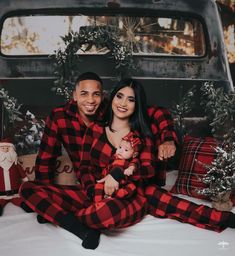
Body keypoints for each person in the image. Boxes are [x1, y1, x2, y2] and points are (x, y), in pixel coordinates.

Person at [20, 77, 156, 250]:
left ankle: (56, 214)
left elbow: (149, 167)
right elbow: (80, 166)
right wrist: (92, 190)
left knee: (104, 214)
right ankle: (81, 229)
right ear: (74, 95)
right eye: (84, 93)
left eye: (131, 99)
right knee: (27, 189)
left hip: (121, 195)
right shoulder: (92, 127)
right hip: (91, 190)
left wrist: (117, 174)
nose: (91, 100)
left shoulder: (139, 134)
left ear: (103, 96)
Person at [93, 131, 142, 202]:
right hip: (107, 181)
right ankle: (97, 202)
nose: (120, 151)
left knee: (130, 188)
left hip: (122, 183)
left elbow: (134, 163)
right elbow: (109, 166)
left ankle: (113, 196)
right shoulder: (115, 157)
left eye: (126, 150)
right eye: (120, 147)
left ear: (134, 154)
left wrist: (130, 169)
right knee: (98, 187)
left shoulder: (131, 161)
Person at [0, 138, 29, 216]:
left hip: (16, 193)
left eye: (8, 148)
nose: (5, 150)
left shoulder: (15, 163)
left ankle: (26, 206)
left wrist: (26, 181)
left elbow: (21, 172)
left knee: (21, 201)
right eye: (3, 148)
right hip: (1, 195)